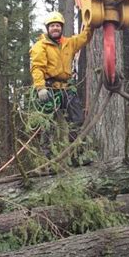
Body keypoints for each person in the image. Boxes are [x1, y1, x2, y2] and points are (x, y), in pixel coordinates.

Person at [30, 11, 92, 156]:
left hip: (66, 87)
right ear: (48, 28)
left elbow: (84, 37)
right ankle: (48, 161)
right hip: (49, 88)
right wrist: (40, 88)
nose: (55, 28)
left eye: (57, 25)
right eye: (52, 26)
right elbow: (37, 67)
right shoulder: (41, 46)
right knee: (48, 125)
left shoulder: (69, 43)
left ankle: (78, 155)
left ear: (61, 27)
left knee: (77, 119)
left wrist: (92, 23)